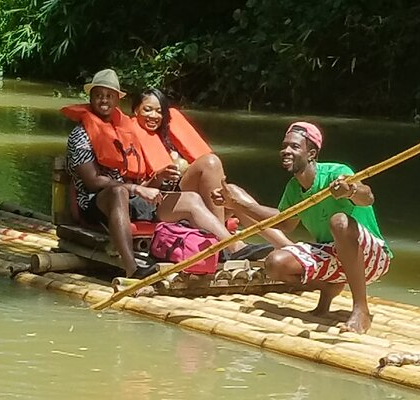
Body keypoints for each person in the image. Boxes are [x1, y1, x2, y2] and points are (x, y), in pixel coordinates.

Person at [211, 121, 391, 333]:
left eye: (294, 147)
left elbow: (367, 197)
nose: (286, 151)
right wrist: (236, 204)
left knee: (339, 222)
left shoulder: (337, 172)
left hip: (372, 257)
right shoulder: (294, 188)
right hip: (333, 255)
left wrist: (349, 190)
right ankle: (328, 287)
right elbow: (285, 223)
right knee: (275, 263)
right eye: (284, 146)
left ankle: (361, 309)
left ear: (312, 154)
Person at [63, 69, 235, 279]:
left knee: (191, 199)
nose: (104, 100)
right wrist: (137, 188)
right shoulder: (79, 135)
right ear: (91, 97)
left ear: (117, 99)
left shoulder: (124, 129)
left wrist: (153, 182)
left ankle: (233, 248)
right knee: (118, 192)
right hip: (95, 202)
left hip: (132, 198)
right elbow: (93, 182)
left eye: (109, 96)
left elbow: (138, 173)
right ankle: (132, 267)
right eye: (99, 95)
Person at [131, 88, 273, 261]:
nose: (154, 116)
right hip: (154, 204)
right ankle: (231, 246)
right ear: (135, 110)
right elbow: (134, 190)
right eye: (148, 109)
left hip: (179, 193)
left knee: (231, 190)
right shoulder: (127, 136)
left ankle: (286, 247)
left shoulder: (167, 137)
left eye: (159, 111)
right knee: (198, 190)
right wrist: (158, 178)